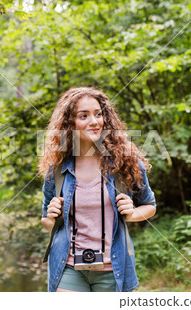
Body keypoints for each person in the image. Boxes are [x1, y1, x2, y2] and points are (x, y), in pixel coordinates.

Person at [39, 87, 156, 292]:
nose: (94, 121)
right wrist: (52, 216)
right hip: (68, 267)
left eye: (98, 113)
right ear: (69, 123)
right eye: (83, 116)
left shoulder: (126, 161)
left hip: (113, 269)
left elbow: (149, 206)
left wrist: (131, 213)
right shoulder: (57, 168)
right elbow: (46, 221)